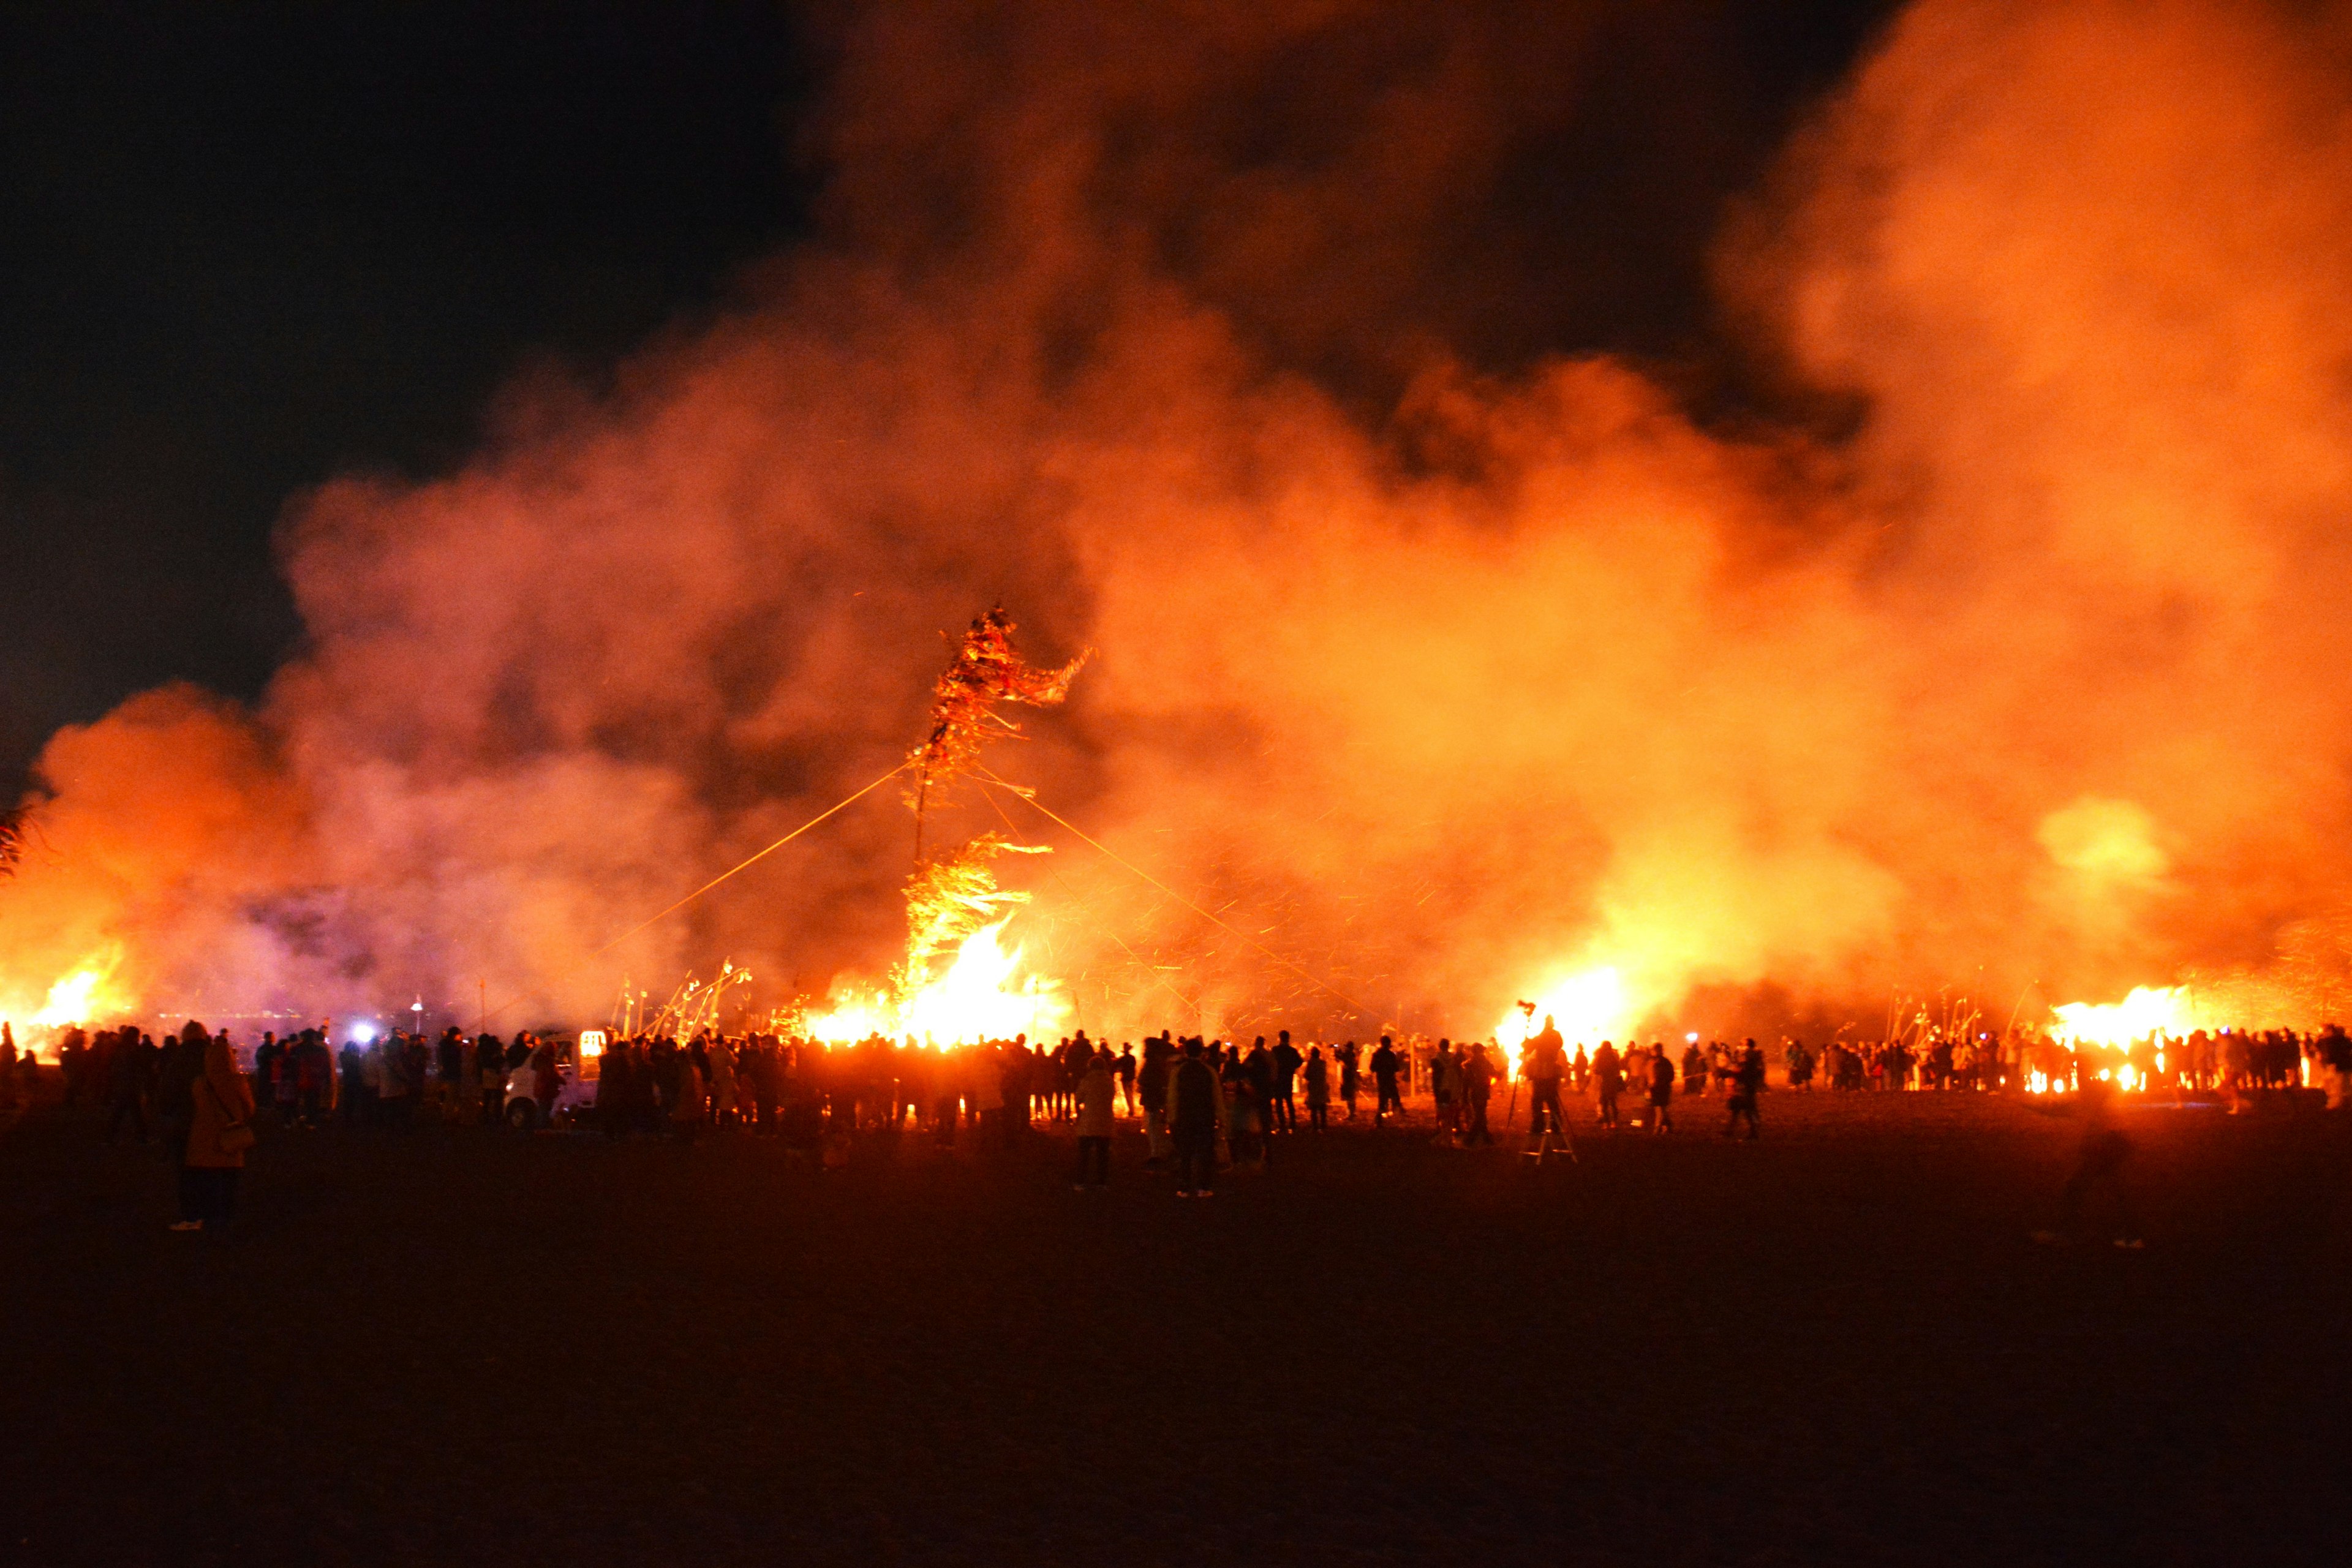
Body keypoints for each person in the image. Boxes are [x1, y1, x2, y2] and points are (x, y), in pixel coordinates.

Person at [2034, 1076, 2141, 1247]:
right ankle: (2132, 1237)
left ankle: (2066, 1232)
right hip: (2115, 1144)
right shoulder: (2104, 1097)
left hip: (2109, 1144)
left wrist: (2090, 1147)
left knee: (2075, 1188)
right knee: (2115, 1191)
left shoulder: (2097, 1099)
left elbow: (2093, 1122)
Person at [176, 1026, 255, 1234]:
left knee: (205, 1181)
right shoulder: (239, 1081)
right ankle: (224, 1220)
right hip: (230, 1138)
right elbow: (250, 1109)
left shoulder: (200, 1083)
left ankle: (201, 1217)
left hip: (204, 1140)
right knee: (229, 1184)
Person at [1169, 1038, 1224, 1198]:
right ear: (1202, 1052)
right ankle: (1203, 1188)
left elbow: (1173, 1096)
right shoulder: (1209, 1071)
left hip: (1184, 1118)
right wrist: (1222, 1118)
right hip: (1205, 1118)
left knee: (1184, 1154)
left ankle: (1184, 1188)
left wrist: (1172, 1118)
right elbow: (1217, 1096)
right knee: (1205, 1153)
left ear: (1186, 1052)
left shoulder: (1178, 1071)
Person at [1074, 1049, 1114, 1188]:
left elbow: (1078, 1098)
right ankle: (1102, 1182)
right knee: (1103, 1155)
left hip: (1089, 1122)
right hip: (1105, 1122)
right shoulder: (1110, 1081)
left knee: (1084, 1154)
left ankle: (1080, 1182)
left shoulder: (1087, 1080)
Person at [1724, 1039, 1764, 1139]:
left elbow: (1744, 1071)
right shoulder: (1750, 1056)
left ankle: (1754, 1132)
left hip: (1746, 1087)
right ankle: (1730, 1131)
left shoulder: (1750, 1056)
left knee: (1747, 1111)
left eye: (1743, 1043)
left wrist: (1732, 1072)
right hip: (1745, 1086)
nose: (1741, 1044)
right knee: (1738, 1110)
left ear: (1748, 1045)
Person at [1461, 1041, 1496, 1146]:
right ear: (1479, 1052)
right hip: (1481, 1092)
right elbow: (1495, 1074)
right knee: (1479, 1117)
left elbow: (1465, 1083)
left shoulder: (1469, 1064)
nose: (1483, 1053)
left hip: (1474, 1093)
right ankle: (1470, 1140)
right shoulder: (1484, 1063)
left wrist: (1464, 1097)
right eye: (1482, 1051)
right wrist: (1503, 1070)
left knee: (1481, 1115)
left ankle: (1486, 1138)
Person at [1270, 1030, 1301, 1131]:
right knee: (1289, 1102)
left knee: (1279, 1103)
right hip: (1288, 1079)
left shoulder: (1275, 1050)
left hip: (1278, 1080)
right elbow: (1299, 1062)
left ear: (1280, 1038)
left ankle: (1282, 1123)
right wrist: (1291, 1068)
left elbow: (1270, 1062)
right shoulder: (1292, 1051)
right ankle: (1292, 1123)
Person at [1370, 1035, 1404, 1125]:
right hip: (1390, 1080)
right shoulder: (1391, 1055)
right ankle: (1398, 1112)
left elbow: (1372, 1068)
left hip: (1381, 1080)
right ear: (1389, 1044)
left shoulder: (1377, 1055)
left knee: (1382, 1100)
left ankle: (1379, 1120)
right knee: (1394, 1096)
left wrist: (1380, 1069)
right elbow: (1396, 1068)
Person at [1591, 1039, 1623, 1131]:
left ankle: (1606, 1123)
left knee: (1604, 1104)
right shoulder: (1614, 1056)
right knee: (1613, 1103)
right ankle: (1614, 1123)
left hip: (1604, 1082)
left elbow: (1596, 1069)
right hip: (1612, 1083)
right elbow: (1618, 1068)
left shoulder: (1601, 1057)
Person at [1648, 1046, 1676, 1134]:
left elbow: (1671, 1076)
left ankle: (1658, 1128)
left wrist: (1662, 1083)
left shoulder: (1664, 1063)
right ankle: (1668, 1127)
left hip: (1661, 1088)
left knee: (1660, 1109)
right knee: (1661, 1109)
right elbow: (1649, 1074)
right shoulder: (1652, 1062)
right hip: (1655, 1089)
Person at [1303, 1045, 1330, 1131]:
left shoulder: (1311, 1063)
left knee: (1314, 1108)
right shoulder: (1323, 1063)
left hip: (1314, 1086)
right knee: (1322, 1107)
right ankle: (1323, 1125)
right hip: (1322, 1086)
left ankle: (1315, 1126)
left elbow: (1307, 1075)